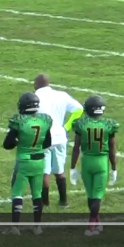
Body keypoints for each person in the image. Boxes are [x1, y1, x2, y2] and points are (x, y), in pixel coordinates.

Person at [3, 92, 53, 236]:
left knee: (17, 193)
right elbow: (47, 143)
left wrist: (19, 141)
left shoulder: (19, 121)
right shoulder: (45, 120)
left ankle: (15, 228)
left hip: (24, 161)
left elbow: (7, 144)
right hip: (39, 161)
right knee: (37, 194)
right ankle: (37, 227)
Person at [70, 95, 119, 236]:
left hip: (87, 161)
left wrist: (73, 167)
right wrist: (114, 168)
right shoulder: (109, 125)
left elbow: (76, 148)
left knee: (91, 196)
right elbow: (112, 149)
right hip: (101, 162)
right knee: (96, 196)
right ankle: (91, 227)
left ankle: (96, 224)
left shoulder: (81, 124)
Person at [36, 74, 83, 208]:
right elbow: (79, 109)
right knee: (59, 170)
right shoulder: (61, 95)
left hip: (43, 138)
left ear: (36, 84)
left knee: (44, 172)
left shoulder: (36, 97)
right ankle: (63, 201)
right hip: (60, 137)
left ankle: (45, 203)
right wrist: (67, 126)